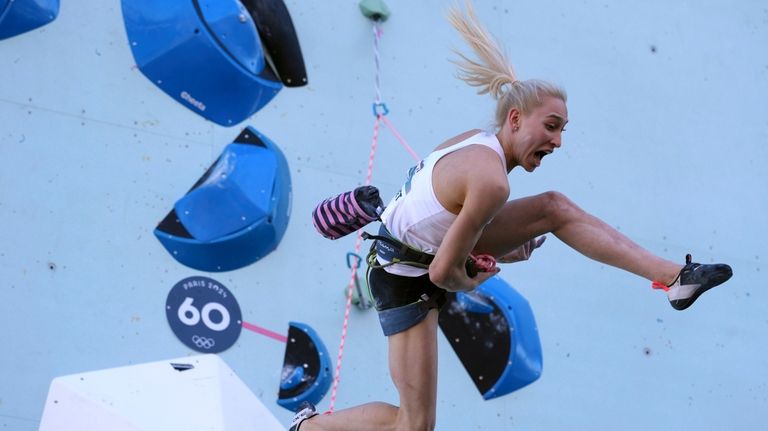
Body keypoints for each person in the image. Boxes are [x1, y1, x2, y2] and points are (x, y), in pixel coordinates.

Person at [291, 1, 733, 430]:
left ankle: (675, 278)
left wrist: (485, 250)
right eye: (553, 126)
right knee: (414, 425)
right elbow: (445, 271)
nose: (558, 142)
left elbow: (440, 222)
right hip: (403, 276)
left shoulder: (476, 142)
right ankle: (307, 429)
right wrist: (474, 278)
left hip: (415, 252)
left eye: (563, 130)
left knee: (553, 208)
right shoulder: (492, 181)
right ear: (517, 118)